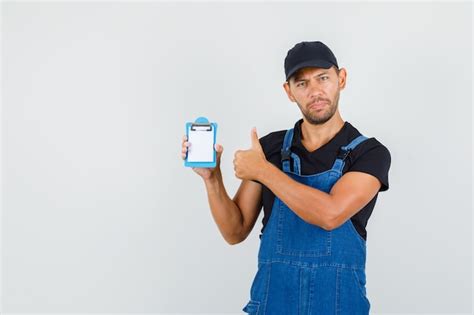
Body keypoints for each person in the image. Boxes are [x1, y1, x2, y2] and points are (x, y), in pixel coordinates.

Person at [181, 41, 391, 315]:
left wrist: (264, 171)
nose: (314, 91)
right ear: (289, 92)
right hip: (271, 306)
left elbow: (330, 214)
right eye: (301, 83)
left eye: (323, 78)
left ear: (341, 79)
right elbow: (235, 230)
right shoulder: (270, 149)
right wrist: (212, 178)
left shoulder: (369, 153)